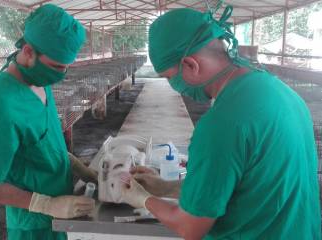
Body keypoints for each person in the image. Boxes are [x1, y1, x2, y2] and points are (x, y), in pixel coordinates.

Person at [120, 5, 321, 240]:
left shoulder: (221, 125)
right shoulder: (279, 91)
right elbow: (247, 184)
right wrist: (164, 187)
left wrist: (143, 199)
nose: (173, 86)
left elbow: (190, 227)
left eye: (169, 78)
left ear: (190, 65)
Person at [0, 4, 97, 240]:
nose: (62, 73)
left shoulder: (38, 77)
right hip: (33, 226)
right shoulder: (0, 105)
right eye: (57, 66)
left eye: (66, 65)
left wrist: (74, 164)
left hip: (60, 212)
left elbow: (40, 138)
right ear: (29, 52)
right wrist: (45, 205)